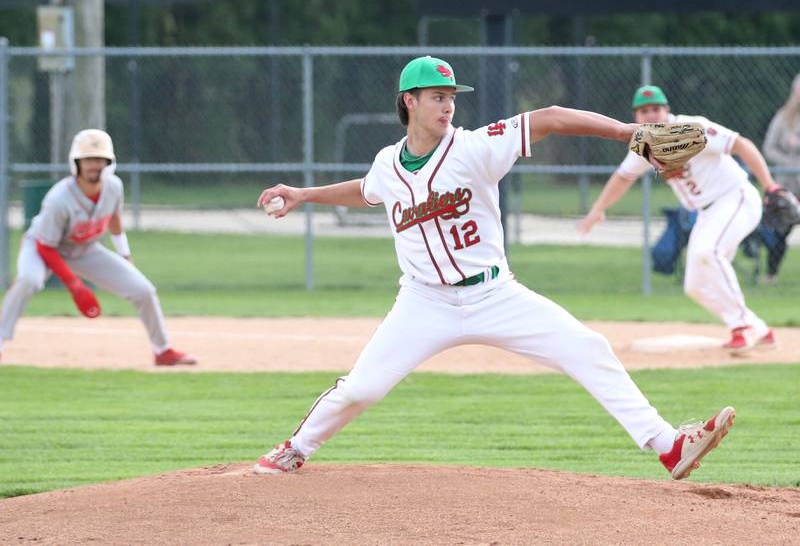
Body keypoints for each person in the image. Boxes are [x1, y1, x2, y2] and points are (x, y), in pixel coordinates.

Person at [253, 56, 735, 481]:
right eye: (437, 96)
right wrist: (304, 195)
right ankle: (295, 448)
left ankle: (669, 447)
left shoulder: (474, 147)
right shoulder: (387, 164)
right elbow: (366, 191)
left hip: (495, 295)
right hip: (424, 301)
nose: (448, 106)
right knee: (362, 387)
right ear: (409, 102)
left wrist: (627, 133)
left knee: (588, 347)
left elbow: (550, 118)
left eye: (452, 98)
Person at [578, 85, 780, 353]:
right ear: (636, 117)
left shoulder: (693, 128)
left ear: (667, 111)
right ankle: (762, 331)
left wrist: (770, 186)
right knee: (695, 285)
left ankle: (743, 326)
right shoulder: (645, 144)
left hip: (736, 198)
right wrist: (598, 209)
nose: (650, 115)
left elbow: (740, 144)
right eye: (644, 110)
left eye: (656, 109)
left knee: (709, 252)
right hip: (708, 213)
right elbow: (623, 177)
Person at [0, 129, 196, 366]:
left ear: (109, 163)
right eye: (88, 160)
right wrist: (75, 286)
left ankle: (162, 351)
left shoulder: (113, 187)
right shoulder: (59, 198)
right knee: (29, 280)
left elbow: (114, 219)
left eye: (99, 159)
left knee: (144, 290)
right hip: (42, 248)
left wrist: (125, 254)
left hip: (84, 249)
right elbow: (46, 246)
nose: (94, 165)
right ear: (77, 164)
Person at [761, 73, 800, 281]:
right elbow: (769, 148)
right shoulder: (783, 118)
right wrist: (788, 162)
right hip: (787, 183)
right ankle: (771, 274)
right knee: (780, 232)